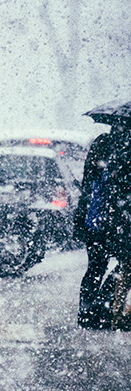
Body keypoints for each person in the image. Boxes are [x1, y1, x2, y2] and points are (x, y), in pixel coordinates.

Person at [73, 118, 131, 330]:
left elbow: (88, 180)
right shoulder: (124, 148)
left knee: (96, 266)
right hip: (117, 219)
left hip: (95, 217)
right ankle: (102, 309)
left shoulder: (102, 143)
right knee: (126, 264)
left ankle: (87, 312)